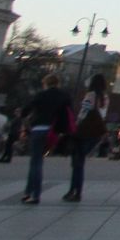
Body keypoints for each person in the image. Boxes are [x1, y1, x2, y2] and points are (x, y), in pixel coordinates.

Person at [21, 75, 71, 203]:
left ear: (46, 83)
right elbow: (68, 115)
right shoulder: (64, 96)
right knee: (39, 160)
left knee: (35, 163)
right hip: (53, 132)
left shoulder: (41, 95)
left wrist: (25, 118)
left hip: (39, 130)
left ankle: (33, 193)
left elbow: (26, 110)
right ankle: (29, 192)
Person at [61, 74, 109, 202]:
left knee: (77, 163)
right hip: (96, 132)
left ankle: (74, 190)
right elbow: (103, 115)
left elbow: (84, 113)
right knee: (80, 162)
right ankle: (77, 191)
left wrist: (75, 126)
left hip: (84, 131)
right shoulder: (105, 98)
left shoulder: (91, 95)